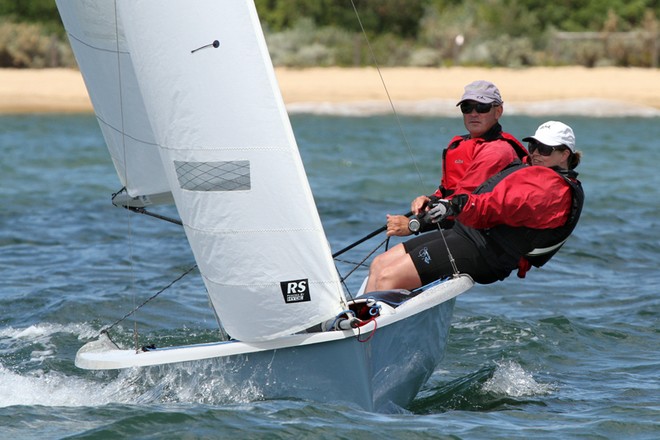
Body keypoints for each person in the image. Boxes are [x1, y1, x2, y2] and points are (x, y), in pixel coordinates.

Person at [365, 121, 584, 292]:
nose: (535, 153)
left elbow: (499, 205)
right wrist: (437, 200)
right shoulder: (531, 169)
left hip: (486, 252)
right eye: (533, 145)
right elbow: (478, 188)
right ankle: (354, 324)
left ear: (565, 154)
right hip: (466, 234)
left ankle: (367, 339)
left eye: (545, 149)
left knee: (388, 278)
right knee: (379, 264)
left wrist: (458, 206)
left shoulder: (553, 190)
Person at [386, 79, 528, 237]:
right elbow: (449, 193)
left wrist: (415, 225)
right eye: (467, 107)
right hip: (457, 228)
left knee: (382, 263)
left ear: (498, 111)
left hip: (482, 236)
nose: (474, 114)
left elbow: (463, 205)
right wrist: (430, 199)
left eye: (482, 107)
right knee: (384, 261)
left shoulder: (497, 152)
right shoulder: (460, 144)